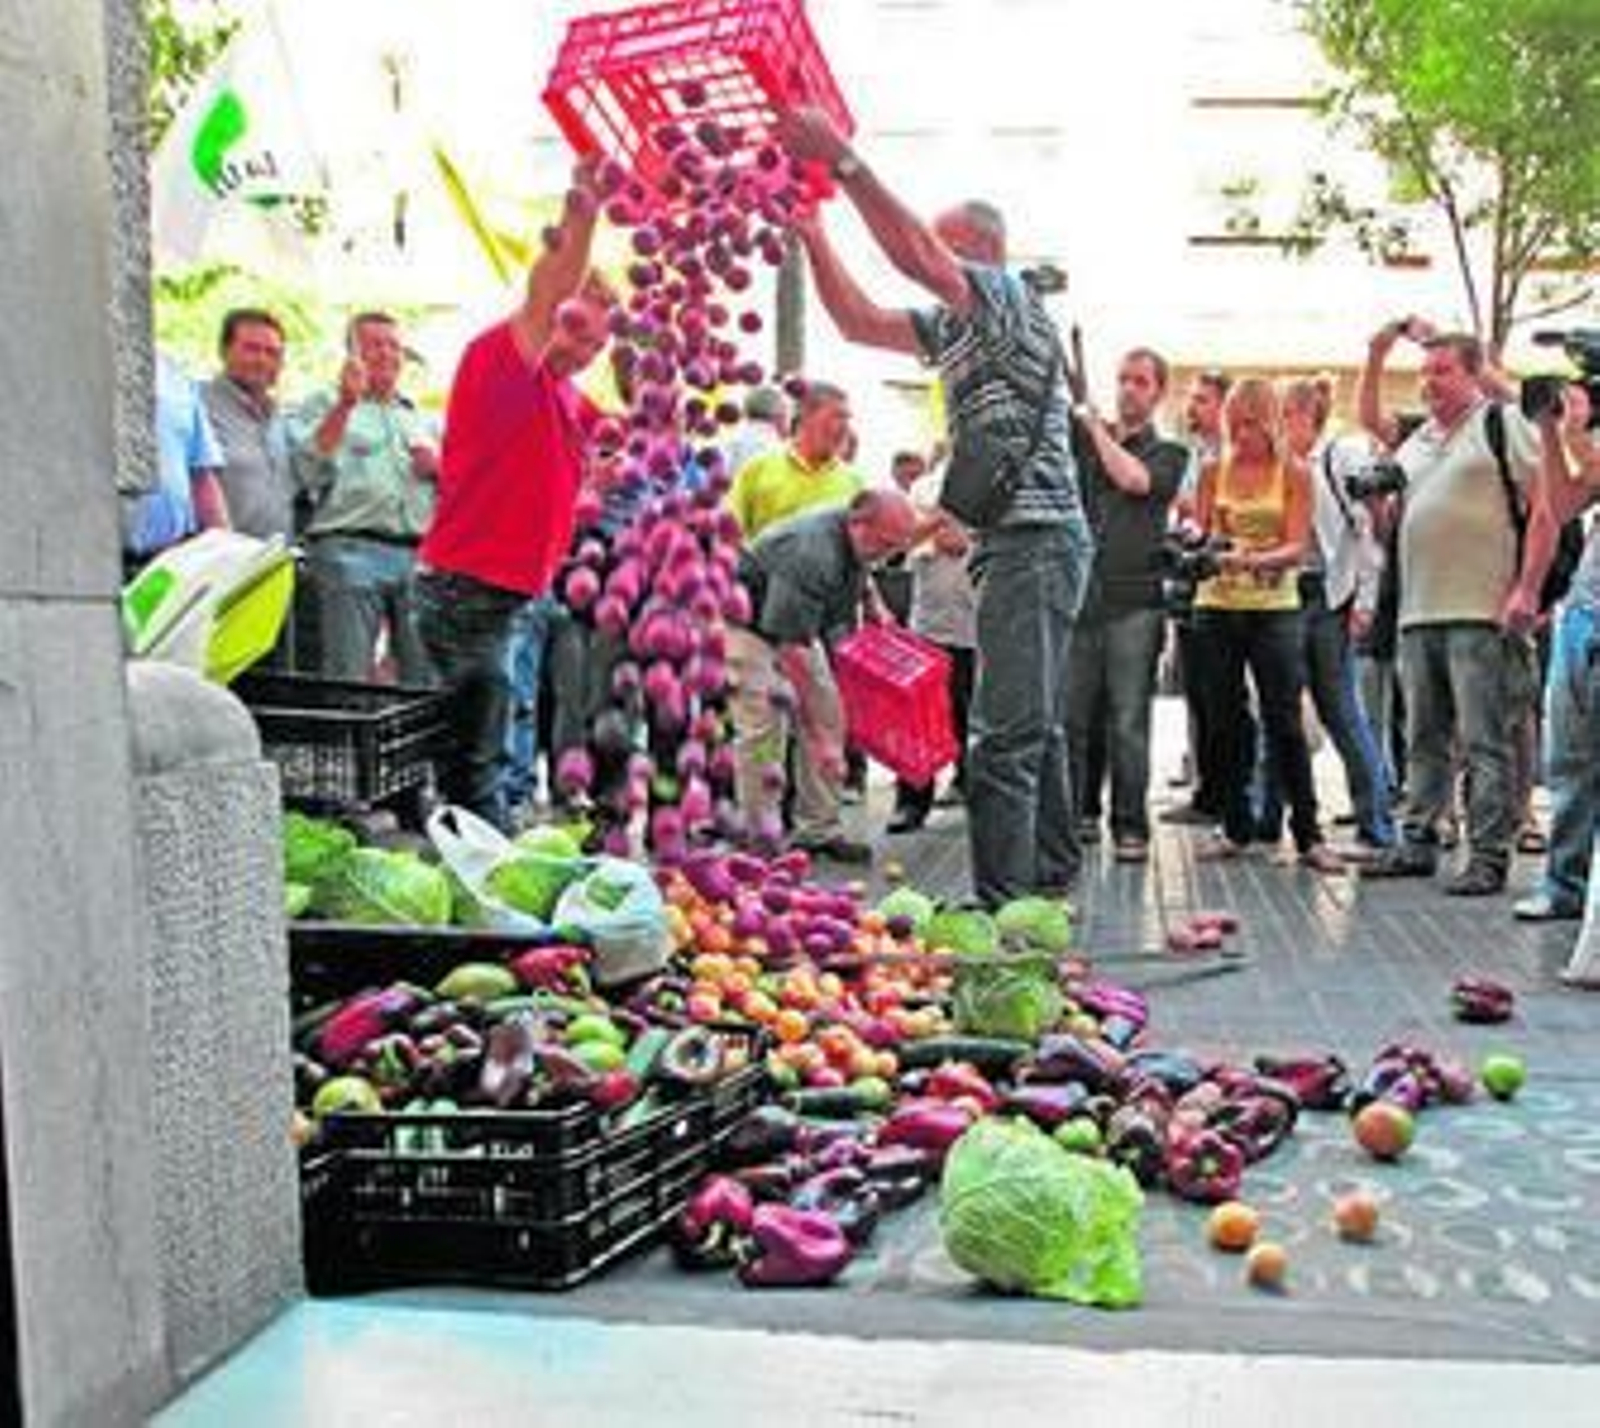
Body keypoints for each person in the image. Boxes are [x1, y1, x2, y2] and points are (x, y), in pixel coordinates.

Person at [776, 105, 1094, 906]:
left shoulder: (1007, 300)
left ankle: (1002, 905)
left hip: (1036, 539)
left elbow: (915, 254)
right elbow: (858, 322)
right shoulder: (955, 328)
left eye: (948, 251)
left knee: (1000, 737)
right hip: (1023, 543)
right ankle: (1051, 873)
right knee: (1035, 722)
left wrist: (845, 164)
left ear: (984, 256)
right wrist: (812, 235)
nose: (931, 265)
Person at [413, 158, 615, 831]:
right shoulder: (500, 358)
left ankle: (482, 846)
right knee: (476, 758)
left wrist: (588, 490)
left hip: (512, 591)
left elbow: (601, 445)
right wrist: (586, 213)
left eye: (597, 344)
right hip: (466, 587)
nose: (584, 351)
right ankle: (478, 861)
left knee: (494, 738)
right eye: (577, 331)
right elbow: (549, 292)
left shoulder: (564, 392)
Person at [1360, 324, 1541, 895]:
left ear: (1473, 374)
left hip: (1481, 610)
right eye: (1425, 372)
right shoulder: (1417, 441)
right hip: (1418, 610)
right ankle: (1417, 840)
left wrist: (1528, 588)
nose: (1429, 382)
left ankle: (1488, 855)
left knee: (1486, 738)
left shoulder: (1500, 423)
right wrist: (1378, 509)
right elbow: (1396, 522)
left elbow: (1546, 505)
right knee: (1423, 735)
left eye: (1443, 371)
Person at [1189, 377, 1341, 872]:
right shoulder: (1213, 469)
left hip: (1275, 605)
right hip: (1217, 602)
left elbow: (1297, 546)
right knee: (1223, 719)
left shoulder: (1294, 472)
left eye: (1250, 424)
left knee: (1284, 718)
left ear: (1270, 423)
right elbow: (1202, 533)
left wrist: (1251, 560)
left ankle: (1309, 833)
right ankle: (1235, 824)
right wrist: (1199, 546)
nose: (1241, 435)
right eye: (1234, 424)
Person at [726, 490, 920, 862]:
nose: (889, 554)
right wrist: (820, 740)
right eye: (886, 544)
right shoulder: (811, 552)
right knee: (763, 730)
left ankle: (818, 830)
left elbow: (861, 569)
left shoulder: (856, 539)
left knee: (830, 712)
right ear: (859, 524)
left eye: (897, 546)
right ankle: (759, 838)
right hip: (748, 626)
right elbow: (791, 649)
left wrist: (872, 603)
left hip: (795, 626)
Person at [1258, 375, 1393, 851]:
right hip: (1284, 594)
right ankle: (1265, 816)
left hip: (1326, 596)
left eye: (1280, 417)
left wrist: (1365, 601)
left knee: (1340, 711)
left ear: (1300, 415)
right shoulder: (1278, 465)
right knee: (1277, 709)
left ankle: (1376, 822)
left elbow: (1367, 533)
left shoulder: (1339, 455)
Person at [1066, 348, 1188, 862]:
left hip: (1136, 605)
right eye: (1122, 379)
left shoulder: (1170, 453)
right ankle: (1076, 817)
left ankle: (1130, 826)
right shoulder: (1087, 439)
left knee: (1129, 723)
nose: (1128, 389)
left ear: (1159, 392)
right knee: (1073, 720)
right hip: (1081, 601)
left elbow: (1134, 480)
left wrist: (1095, 427)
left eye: (1140, 381)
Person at [290, 311, 438, 684]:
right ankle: (346, 725)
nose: (386, 353)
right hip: (349, 550)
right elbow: (307, 470)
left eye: (394, 346)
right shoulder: (324, 402)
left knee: (424, 679)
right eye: (374, 345)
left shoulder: (421, 418)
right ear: (352, 353)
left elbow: (457, 489)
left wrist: (439, 469)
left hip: (418, 556)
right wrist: (345, 404)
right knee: (348, 675)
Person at [1504, 384, 1600, 928]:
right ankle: (1566, 885)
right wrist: (1547, 429)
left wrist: (1577, 437)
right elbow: (1562, 504)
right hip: (1585, 611)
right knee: (1569, 760)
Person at [1162, 368, 1234, 824]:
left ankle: (1223, 794)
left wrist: (1188, 511)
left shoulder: (1232, 458)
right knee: (1197, 694)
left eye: (1203, 399)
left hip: (1224, 590)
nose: (1192, 407)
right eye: (1191, 398)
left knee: (1219, 696)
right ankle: (1206, 788)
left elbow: (1211, 520)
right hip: (1189, 587)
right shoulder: (1192, 455)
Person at [888, 464, 977, 834]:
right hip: (931, 623)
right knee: (917, 716)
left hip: (982, 623)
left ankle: (973, 787)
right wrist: (938, 531)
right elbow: (902, 539)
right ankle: (911, 800)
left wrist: (966, 537)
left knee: (973, 713)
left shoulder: (999, 481)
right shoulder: (924, 487)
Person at [122, 352, 230, 570]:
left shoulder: (176, 376)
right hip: (98, 561)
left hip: (169, 562)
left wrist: (227, 555)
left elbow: (201, 475)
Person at [720, 384, 790, 482]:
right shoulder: (775, 447)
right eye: (786, 413)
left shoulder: (732, 439)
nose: (788, 422)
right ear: (778, 416)